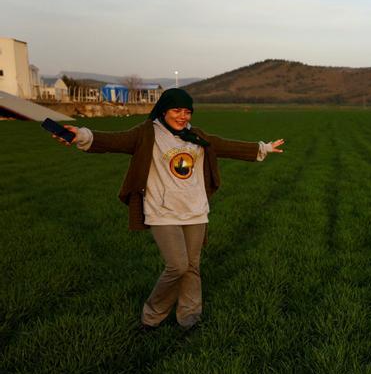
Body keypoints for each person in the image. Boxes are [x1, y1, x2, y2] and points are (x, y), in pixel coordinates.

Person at [51, 88, 284, 330]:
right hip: (162, 211)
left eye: (187, 111)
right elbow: (113, 141)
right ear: (164, 111)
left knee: (192, 266)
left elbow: (225, 146)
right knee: (178, 266)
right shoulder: (148, 133)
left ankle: (189, 317)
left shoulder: (196, 136)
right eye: (177, 110)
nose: (183, 116)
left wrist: (263, 148)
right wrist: (80, 135)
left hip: (195, 210)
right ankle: (152, 316)